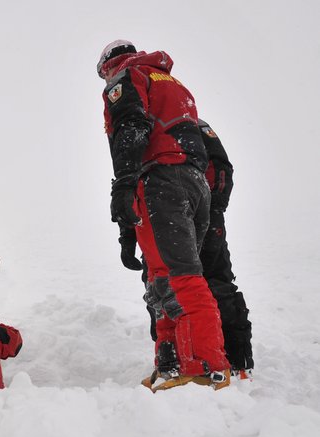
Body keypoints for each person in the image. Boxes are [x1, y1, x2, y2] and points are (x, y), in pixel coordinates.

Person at [97, 40, 230, 391]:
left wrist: (124, 184)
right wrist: (129, 226)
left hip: (160, 180)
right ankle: (171, 362)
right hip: (191, 183)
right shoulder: (173, 84)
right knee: (163, 277)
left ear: (109, 64)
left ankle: (205, 365)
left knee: (181, 276)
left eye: (102, 74)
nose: (105, 81)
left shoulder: (127, 76)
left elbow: (131, 127)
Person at [122, 119, 254, 379]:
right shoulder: (139, 129)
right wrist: (128, 232)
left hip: (197, 215)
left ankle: (236, 359)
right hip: (156, 218)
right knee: (159, 288)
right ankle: (175, 360)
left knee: (215, 281)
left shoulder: (189, 124)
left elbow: (221, 169)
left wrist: (212, 212)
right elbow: (131, 183)